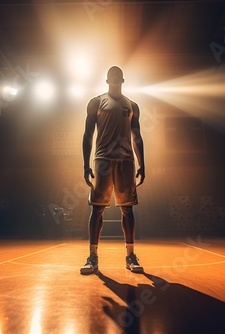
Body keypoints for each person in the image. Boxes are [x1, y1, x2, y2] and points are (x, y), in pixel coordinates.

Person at [81, 66, 145, 275]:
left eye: (118, 74)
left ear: (123, 79)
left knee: (127, 209)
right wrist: (85, 164)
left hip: (126, 160)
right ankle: (93, 257)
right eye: (112, 74)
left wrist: (142, 163)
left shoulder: (132, 105)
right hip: (102, 160)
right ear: (106, 79)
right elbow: (87, 134)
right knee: (97, 209)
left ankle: (130, 255)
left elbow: (137, 136)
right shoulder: (96, 102)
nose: (115, 76)